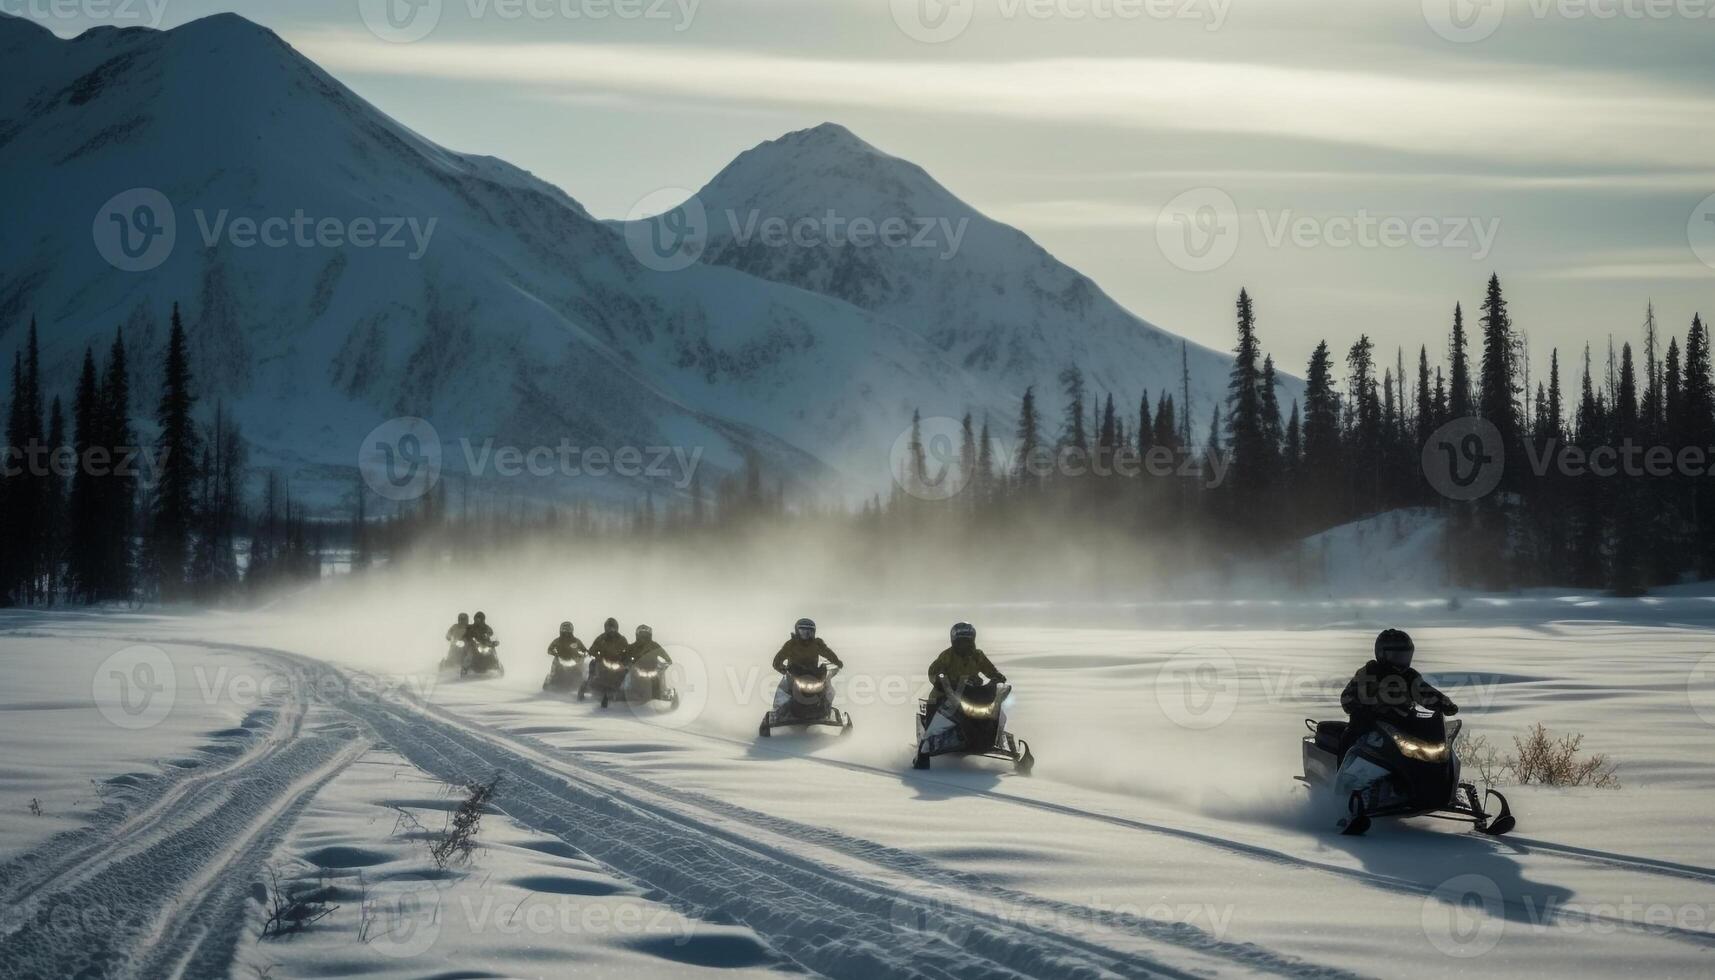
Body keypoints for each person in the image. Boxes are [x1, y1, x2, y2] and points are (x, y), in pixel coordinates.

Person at [1338, 629, 1458, 759]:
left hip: (1402, 726)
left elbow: (1426, 692)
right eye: (1397, 656)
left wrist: (1445, 704)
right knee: (1349, 739)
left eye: (1405, 656)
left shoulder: (1409, 676)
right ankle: (1342, 773)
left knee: (1426, 744)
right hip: (1369, 726)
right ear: (1381, 654)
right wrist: (1360, 710)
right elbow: (1347, 697)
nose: (1402, 661)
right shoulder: (1368, 673)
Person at [923, 622, 1006, 722]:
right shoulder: (947, 656)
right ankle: (928, 733)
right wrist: (939, 680)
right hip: (947, 693)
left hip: (971, 693)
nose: (964, 645)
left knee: (993, 709)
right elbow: (933, 671)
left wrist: (997, 677)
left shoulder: (977, 655)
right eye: (960, 641)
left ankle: (995, 731)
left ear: (972, 641)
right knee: (933, 704)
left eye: (967, 641)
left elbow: (990, 670)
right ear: (954, 642)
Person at [772, 618, 843, 675]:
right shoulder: (791, 644)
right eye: (802, 630)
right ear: (797, 631)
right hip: (794, 676)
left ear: (814, 631)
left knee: (827, 689)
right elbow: (777, 660)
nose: (806, 633)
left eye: (809, 631)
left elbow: (828, 653)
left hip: (813, 675)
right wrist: (783, 669)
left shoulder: (817, 644)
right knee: (783, 689)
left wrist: (837, 662)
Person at [545, 621, 587, 687]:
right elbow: (549, 649)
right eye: (564, 629)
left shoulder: (576, 641)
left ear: (571, 630)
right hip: (561, 659)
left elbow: (584, 649)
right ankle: (550, 679)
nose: (566, 632)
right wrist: (554, 653)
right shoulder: (557, 641)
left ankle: (584, 682)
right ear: (561, 630)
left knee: (581, 670)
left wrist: (585, 653)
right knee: (555, 666)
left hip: (573, 660)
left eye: (568, 629)